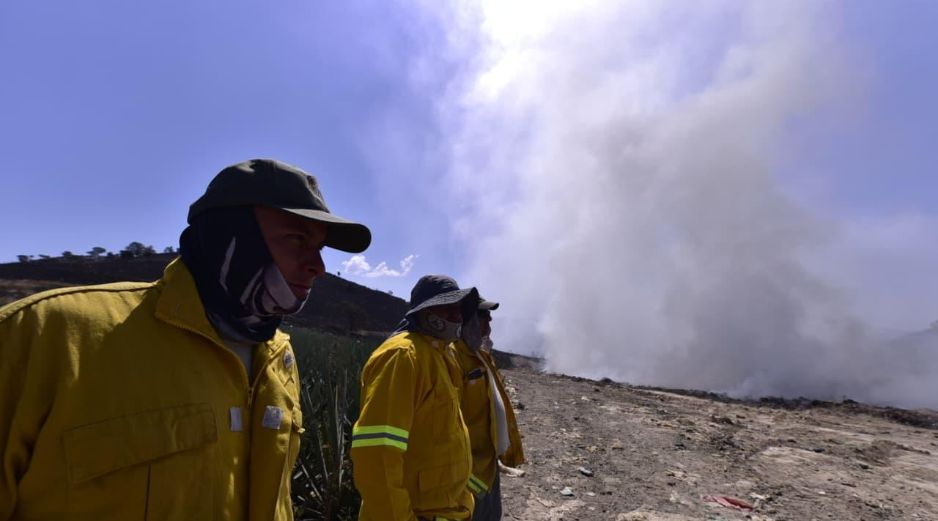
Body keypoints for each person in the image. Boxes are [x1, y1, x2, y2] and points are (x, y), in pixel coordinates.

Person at [0, 159, 371, 520]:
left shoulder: (278, 357)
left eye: (319, 248)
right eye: (296, 238)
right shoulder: (46, 332)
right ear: (230, 235)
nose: (318, 267)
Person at [351, 275, 479, 521]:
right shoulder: (402, 356)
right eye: (447, 307)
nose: (457, 316)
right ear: (425, 311)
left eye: (459, 308)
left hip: (449, 510)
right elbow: (377, 452)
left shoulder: (442, 355)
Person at [453, 296, 525, 521]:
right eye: (484, 317)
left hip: (489, 464)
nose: (489, 324)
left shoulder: (481, 356)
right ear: (467, 320)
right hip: (467, 470)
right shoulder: (452, 358)